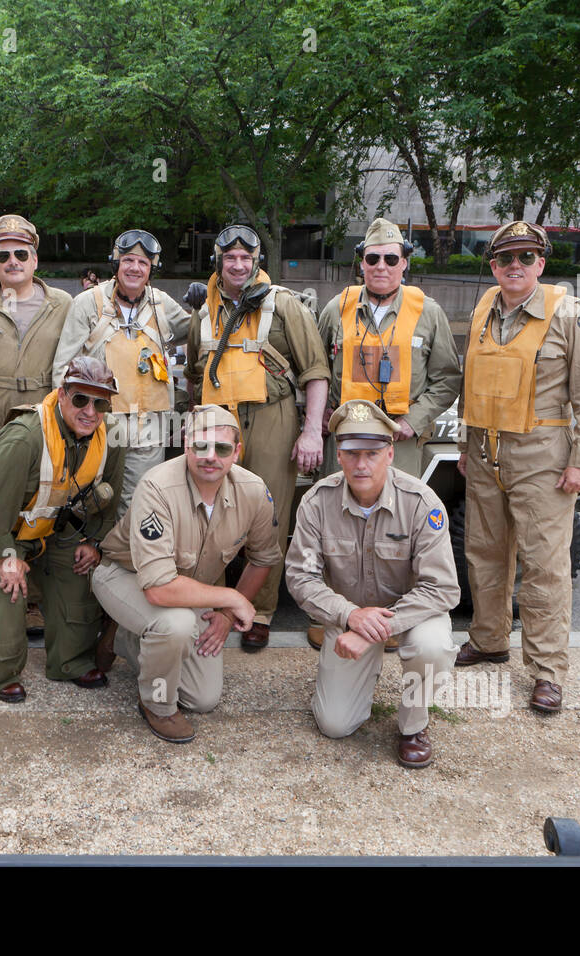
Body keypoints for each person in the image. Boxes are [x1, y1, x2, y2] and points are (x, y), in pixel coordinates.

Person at [454, 221, 580, 713]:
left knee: (544, 566)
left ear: (541, 264)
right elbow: (469, 383)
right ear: (494, 265)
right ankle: (490, 639)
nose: (514, 266)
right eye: (504, 259)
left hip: (542, 455)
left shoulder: (567, 313)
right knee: (485, 554)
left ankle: (546, 670)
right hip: (485, 452)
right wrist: (464, 444)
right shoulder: (483, 308)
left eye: (525, 258)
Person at [311, 218, 461, 651]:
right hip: (345, 438)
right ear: (361, 263)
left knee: (398, 526)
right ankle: (330, 617)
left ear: (404, 264)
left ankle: (393, 620)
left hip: (398, 440)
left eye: (390, 258)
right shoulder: (336, 308)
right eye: (371, 258)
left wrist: (415, 420)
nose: (380, 266)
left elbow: (447, 377)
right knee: (334, 523)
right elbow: (316, 367)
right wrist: (320, 416)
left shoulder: (426, 312)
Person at [285, 400, 458, 766]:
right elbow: (300, 578)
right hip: (348, 615)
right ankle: (362, 675)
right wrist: (350, 617)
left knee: (433, 647)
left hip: (410, 614)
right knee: (335, 724)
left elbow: (441, 588)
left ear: (390, 454)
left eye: (372, 453)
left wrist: (372, 629)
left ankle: (414, 725)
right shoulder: (317, 503)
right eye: (351, 453)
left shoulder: (422, 503)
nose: (361, 464)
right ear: (339, 456)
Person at [91, 405, 279, 743]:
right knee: (172, 624)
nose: (210, 456)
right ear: (185, 443)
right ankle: (157, 704)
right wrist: (232, 598)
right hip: (125, 576)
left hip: (188, 591)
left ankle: (124, 636)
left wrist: (223, 617)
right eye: (200, 446)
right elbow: (159, 591)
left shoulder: (254, 492)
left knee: (202, 699)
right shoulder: (158, 487)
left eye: (222, 448)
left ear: (237, 452)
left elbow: (263, 558)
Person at [185, 224, 329, 650]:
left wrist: (310, 433)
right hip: (217, 421)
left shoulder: (283, 305)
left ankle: (259, 610)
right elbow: (195, 374)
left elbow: (316, 371)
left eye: (246, 258)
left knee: (266, 515)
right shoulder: (203, 311)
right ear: (218, 261)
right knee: (208, 513)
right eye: (230, 257)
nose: (238, 264)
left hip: (270, 416)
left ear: (256, 262)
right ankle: (210, 603)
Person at [0, 356, 126, 702]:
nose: (90, 411)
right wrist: (6, 556)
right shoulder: (26, 437)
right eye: (80, 399)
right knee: (10, 594)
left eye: (100, 402)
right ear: (62, 395)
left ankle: (70, 661)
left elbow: (109, 497)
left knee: (78, 576)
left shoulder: (113, 435)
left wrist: (93, 541)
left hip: (49, 525)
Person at [0, 214, 74, 637]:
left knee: (39, 507)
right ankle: (4, 594)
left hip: (43, 425)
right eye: (2, 255)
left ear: (35, 258)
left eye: (20, 253)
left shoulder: (64, 305)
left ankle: (36, 598)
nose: (12, 261)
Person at [52, 229, 189, 512]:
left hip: (149, 429)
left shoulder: (161, 303)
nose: (135, 268)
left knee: (141, 504)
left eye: (143, 263)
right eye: (128, 260)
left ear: (153, 269)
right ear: (116, 264)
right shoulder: (89, 303)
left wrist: (206, 304)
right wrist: (62, 423)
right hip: (97, 422)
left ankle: (131, 555)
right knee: (92, 501)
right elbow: (62, 368)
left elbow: (198, 332)